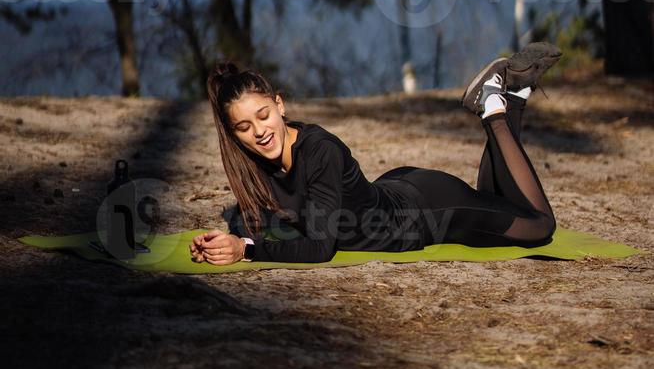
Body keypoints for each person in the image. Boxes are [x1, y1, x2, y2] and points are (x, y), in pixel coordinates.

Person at [189, 43, 561, 266]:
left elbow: (320, 247)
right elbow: (261, 225)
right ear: (234, 135)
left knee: (540, 226)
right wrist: (223, 242)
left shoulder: (319, 151)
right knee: (495, 202)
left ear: (280, 105)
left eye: (263, 115)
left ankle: (493, 109)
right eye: (243, 128)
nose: (258, 131)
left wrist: (247, 251)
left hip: (426, 211)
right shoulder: (257, 163)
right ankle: (511, 97)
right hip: (394, 191)